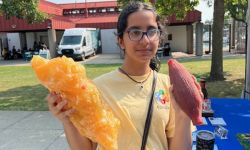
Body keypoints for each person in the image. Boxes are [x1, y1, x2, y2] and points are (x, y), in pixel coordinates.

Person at [47, 2, 194, 150]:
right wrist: (68, 120)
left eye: (151, 31)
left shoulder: (170, 87)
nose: (145, 40)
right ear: (121, 41)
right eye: (135, 32)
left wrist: (184, 115)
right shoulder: (97, 89)